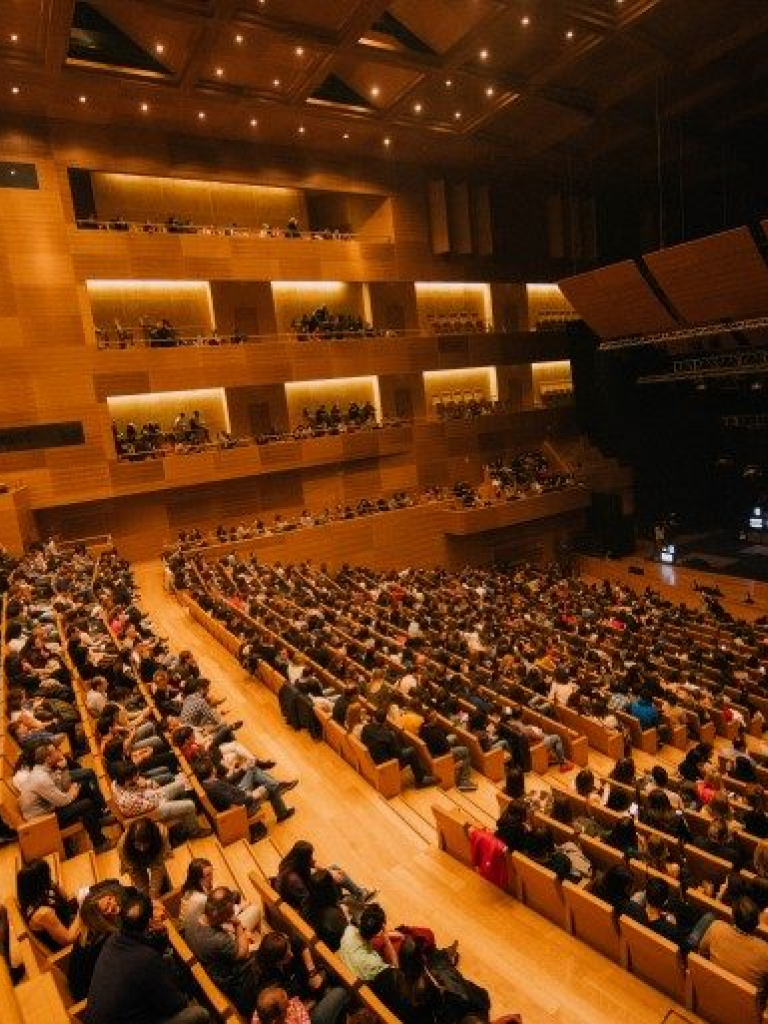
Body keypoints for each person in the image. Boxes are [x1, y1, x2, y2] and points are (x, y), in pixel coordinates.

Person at [86, 887, 211, 1024]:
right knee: (199, 1014)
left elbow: (150, 950)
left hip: (114, 1012)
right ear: (150, 922)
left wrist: (162, 934)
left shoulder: (115, 939)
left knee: (168, 962)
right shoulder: (144, 959)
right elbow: (175, 1005)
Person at [17, 742, 113, 852]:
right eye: (55, 752)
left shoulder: (41, 769)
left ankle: (99, 818)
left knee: (84, 786)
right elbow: (63, 801)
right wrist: (72, 792)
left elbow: (61, 785)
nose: (58, 753)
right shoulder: (41, 779)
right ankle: (100, 843)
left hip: (50, 807)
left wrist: (72, 787)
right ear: (48, 759)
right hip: (43, 819)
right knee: (86, 805)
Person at [185, 886, 260, 1016]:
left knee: (254, 910)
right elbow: (244, 953)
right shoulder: (218, 940)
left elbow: (220, 927)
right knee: (266, 945)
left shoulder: (195, 912)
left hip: (207, 952)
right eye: (231, 910)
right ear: (225, 914)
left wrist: (233, 930)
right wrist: (237, 925)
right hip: (228, 973)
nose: (233, 910)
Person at [67, 881, 124, 1000]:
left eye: (110, 899)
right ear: (98, 918)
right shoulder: (103, 940)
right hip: (93, 996)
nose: (113, 904)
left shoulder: (92, 929)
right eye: (106, 907)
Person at [699, 896, 768, 991]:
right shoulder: (765, 951)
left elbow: (702, 954)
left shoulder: (716, 927)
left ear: (733, 917)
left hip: (711, 989)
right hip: (744, 1003)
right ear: (757, 923)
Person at [180, 858, 261, 933]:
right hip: (205, 932)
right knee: (254, 909)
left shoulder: (188, 889)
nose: (212, 877)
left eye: (212, 872)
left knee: (235, 894)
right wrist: (239, 908)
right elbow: (219, 919)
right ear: (199, 879)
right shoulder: (202, 900)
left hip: (195, 927)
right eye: (208, 875)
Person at [360, 707, 436, 788]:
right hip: (387, 765)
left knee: (402, 745)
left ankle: (422, 772)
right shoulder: (387, 734)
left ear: (373, 718)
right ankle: (420, 780)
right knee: (411, 751)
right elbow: (398, 755)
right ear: (385, 720)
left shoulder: (366, 728)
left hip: (373, 759)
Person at [16, 858, 79, 951]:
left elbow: (65, 898)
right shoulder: (43, 913)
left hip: (69, 923)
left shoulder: (34, 897)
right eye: (48, 875)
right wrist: (82, 911)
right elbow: (69, 939)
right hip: (70, 948)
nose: (50, 876)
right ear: (40, 882)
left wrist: (55, 887)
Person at [338, 903, 397, 982]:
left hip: (337, 973)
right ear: (377, 932)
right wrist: (386, 937)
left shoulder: (347, 930)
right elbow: (396, 968)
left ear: (361, 920)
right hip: (350, 987)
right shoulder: (374, 964)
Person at [118, 818, 172, 898]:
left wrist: (154, 892)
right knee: (142, 890)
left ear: (152, 839)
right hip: (135, 861)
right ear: (132, 842)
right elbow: (135, 873)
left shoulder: (161, 834)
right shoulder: (123, 847)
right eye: (138, 845)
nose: (142, 849)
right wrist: (146, 895)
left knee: (156, 886)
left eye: (145, 844)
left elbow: (158, 866)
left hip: (154, 854)